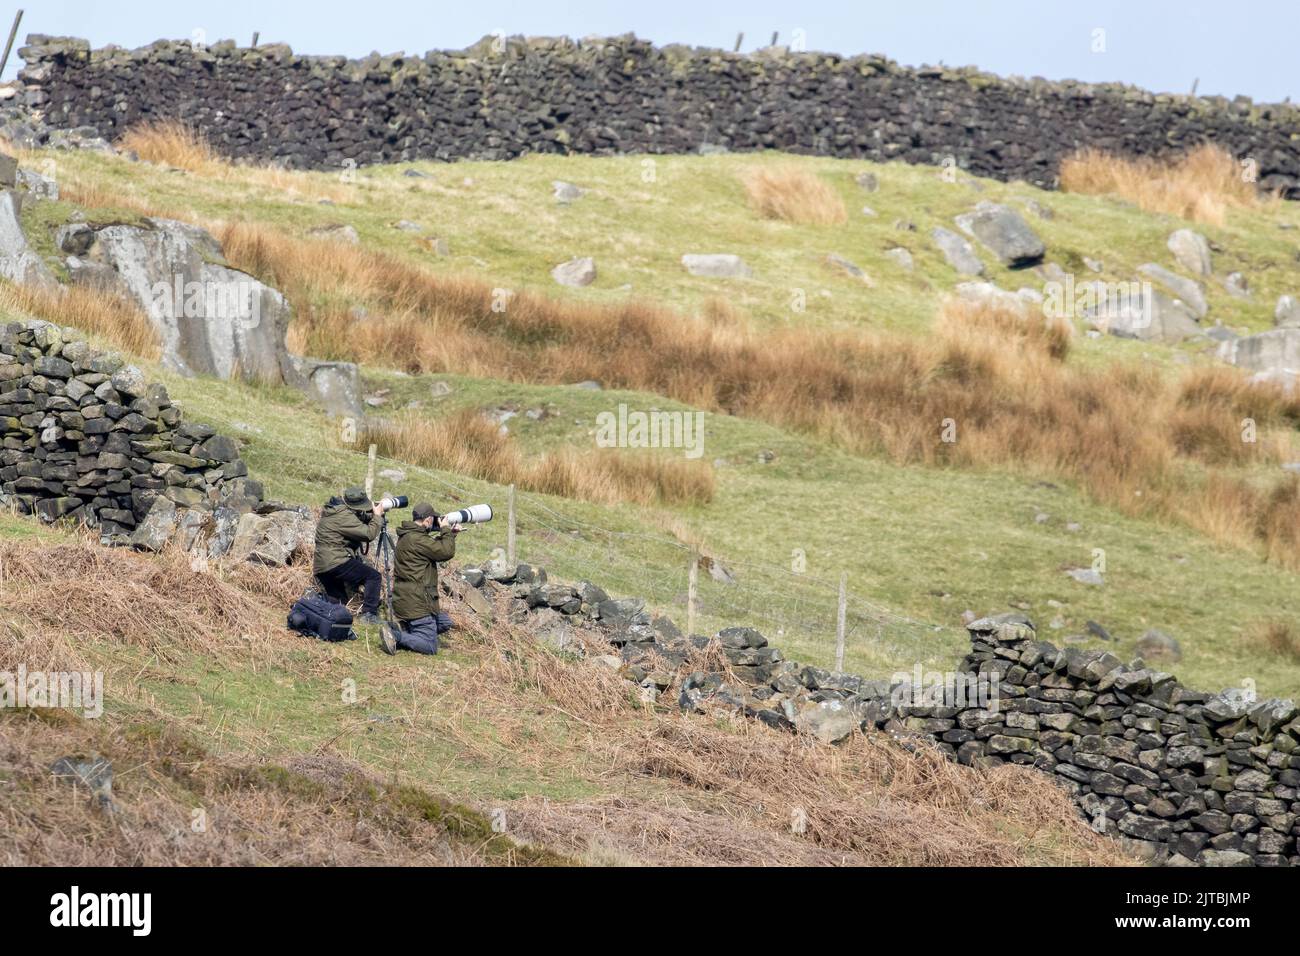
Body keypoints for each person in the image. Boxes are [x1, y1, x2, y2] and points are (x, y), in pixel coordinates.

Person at [381, 502, 460, 655]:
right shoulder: (418, 539)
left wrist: (451, 535)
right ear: (429, 520)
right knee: (430, 646)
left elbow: (433, 549)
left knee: (445, 622)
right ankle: (396, 636)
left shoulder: (409, 535)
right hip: (417, 601)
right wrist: (445, 528)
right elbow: (445, 552)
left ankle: (407, 629)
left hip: (405, 598)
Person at [313, 487, 384, 625]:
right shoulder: (344, 516)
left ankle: (314, 603)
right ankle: (369, 615)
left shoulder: (335, 511)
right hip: (336, 562)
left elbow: (353, 522)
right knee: (373, 576)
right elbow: (368, 534)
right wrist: (377, 517)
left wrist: (369, 516)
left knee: (340, 604)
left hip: (322, 566)